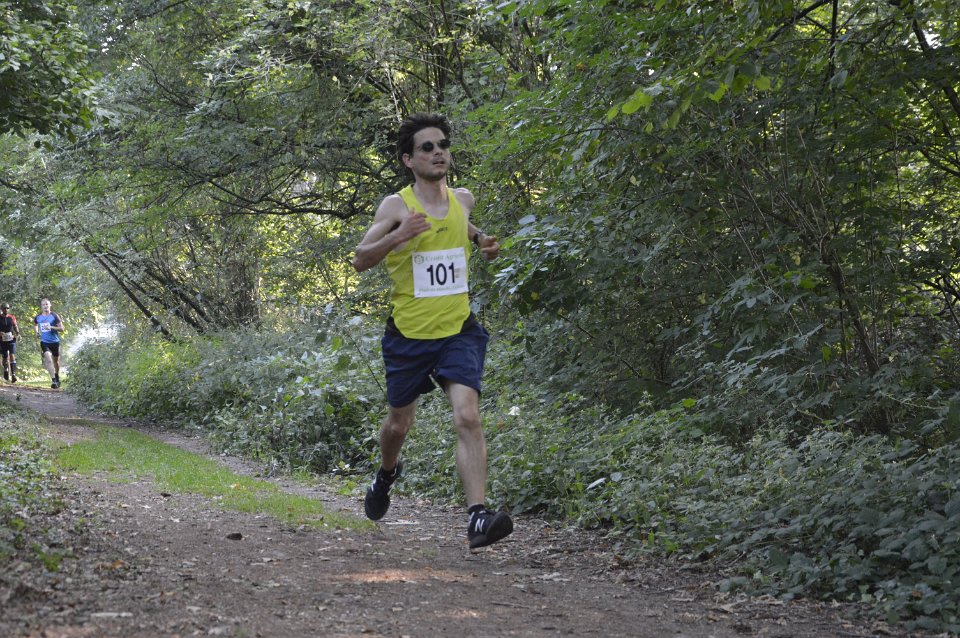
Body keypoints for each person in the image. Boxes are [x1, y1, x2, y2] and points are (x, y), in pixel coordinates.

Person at [352, 113, 513, 549]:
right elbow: (361, 259)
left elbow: (461, 224)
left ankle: (477, 517)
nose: (439, 152)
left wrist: (481, 241)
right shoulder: (396, 207)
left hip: (458, 330)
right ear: (409, 159)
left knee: (467, 415)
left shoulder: (463, 199)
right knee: (399, 425)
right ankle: (387, 473)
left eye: (443, 145)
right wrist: (398, 235)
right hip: (408, 336)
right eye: (427, 147)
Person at [33, 298, 65, 389]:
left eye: (47, 304)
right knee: (49, 360)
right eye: (43, 304)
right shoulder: (38, 317)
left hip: (55, 341)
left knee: (56, 362)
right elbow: (35, 324)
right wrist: (36, 332)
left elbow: (62, 329)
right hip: (44, 342)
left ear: (50, 305)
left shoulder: (54, 316)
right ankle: (53, 380)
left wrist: (51, 327)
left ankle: (57, 376)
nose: (45, 306)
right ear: (41, 306)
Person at [0, 303, 20, 383]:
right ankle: (6, 369)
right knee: (4, 358)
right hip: (2, 341)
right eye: (4, 308)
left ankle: (13, 375)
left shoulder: (12, 317)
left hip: (11, 339)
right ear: (1, 309)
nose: (6, 309)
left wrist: (18, 333)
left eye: (7, 308)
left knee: (12, 355)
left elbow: (15, 326)